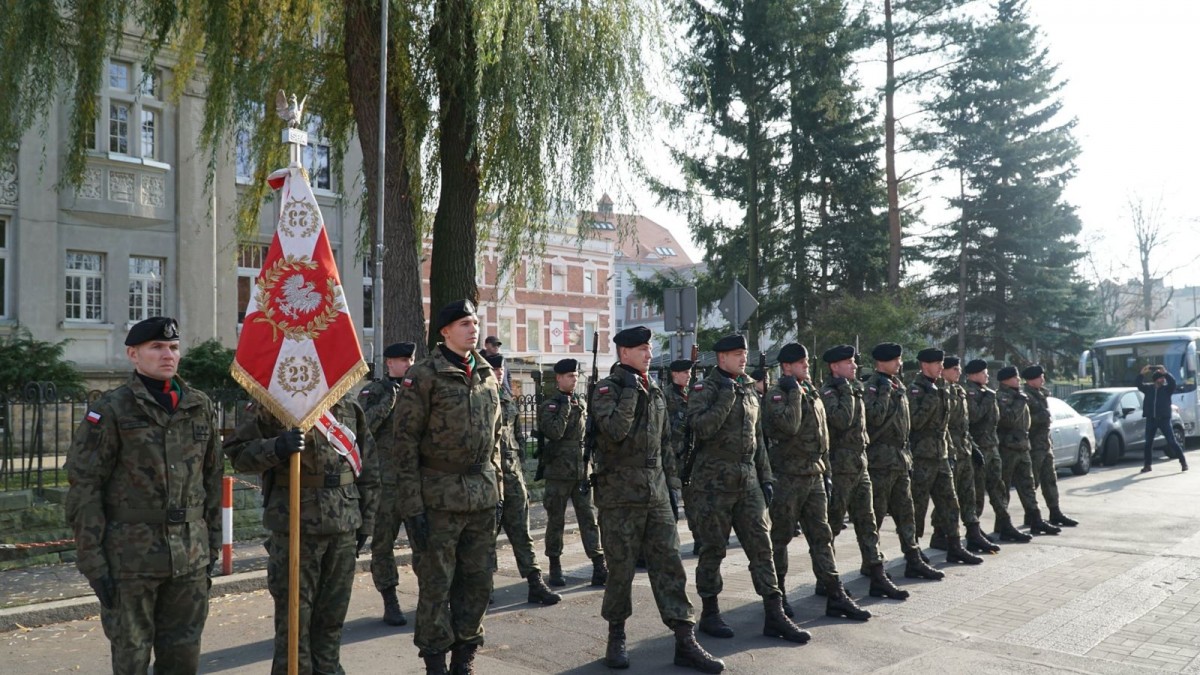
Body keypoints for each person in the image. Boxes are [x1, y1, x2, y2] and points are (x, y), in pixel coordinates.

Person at [66, 316, 222, 675]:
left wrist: (212, 546)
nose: (168, 354)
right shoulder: (111, 409)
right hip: (130, 562)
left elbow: (212, 478)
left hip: (190, 559)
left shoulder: (199, 405)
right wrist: (93, 564)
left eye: (173, 347)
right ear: (133, 355)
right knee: (131, 660)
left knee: (183, 658)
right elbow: (85, 489)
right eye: (157, 347)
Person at [591, 326, 724, 672]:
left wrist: (673, 487)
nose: (650, 354)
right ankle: (616, 637)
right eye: (642, 349)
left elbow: (665, 445)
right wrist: (632, 393)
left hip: (656, 492)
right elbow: (616, 431)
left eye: (650, 348)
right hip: (620, 495)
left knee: (670, 566)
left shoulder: (657, 391)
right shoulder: (607, 390)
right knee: (620, 571)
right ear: (624, 353)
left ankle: (684, 639)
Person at [224, 391, 379, 675]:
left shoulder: (348, 405)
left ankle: (329, 670)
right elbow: (238, 454)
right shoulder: (273, 403)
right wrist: (277, 447)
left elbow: (367, 467)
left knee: (332, 618)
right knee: (294, 622)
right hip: (295, 524)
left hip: (344, 525)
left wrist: (365, 522)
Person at [393, 299, 504, 674]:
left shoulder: (487, 372)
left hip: (482, 496)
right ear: (444, 331)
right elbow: (404, 443)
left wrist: (499, 491)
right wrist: (412, 507)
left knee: (478, 584)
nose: (472, 328)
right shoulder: (424, 375)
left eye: (474, 322)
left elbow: (497, 439)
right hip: (438, 497)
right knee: (437, 588)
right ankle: (436, 662)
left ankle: (464, 657)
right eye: (462, 323)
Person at [687, 333, 810, 645]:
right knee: (713, 549)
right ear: (721, 358)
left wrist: (766, 477)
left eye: (744, 353)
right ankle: (710, 612)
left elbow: (758, 439)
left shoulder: (748, 387)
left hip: (748, 481)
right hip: (714, 483)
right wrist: (727, 396)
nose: (744, 358)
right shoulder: (705, 387)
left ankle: (774, 612)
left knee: (762, 548)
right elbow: (701, 427)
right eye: (737, 354)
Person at [763, 342, 873, 620]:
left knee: (821, 537)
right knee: (780, 539)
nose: (806, 368)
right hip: (788, 477)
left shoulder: (809, 391)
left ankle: (835, 595)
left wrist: (825, 472)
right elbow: (789, 426)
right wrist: (792, 392)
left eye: (807, 364)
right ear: (786, 367)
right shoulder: (778, 394)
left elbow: (824, 435)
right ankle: (778, 597)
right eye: (801, 364)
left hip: (814, 474)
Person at [862, 342, 941, 586]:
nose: (899, 363)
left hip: (900, 461)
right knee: (874, 516)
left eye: (899, 359)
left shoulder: (899, 385)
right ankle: (871, 563)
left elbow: (907, 425)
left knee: (907, 514)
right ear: (881, 362)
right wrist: (885, 391)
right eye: (895, 359)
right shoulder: (873, 387)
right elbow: (874, 419)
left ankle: (913, 559)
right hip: (880, 464)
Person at [486, 353, 561, 605]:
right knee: (486, 536)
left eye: (501, 368)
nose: (498, 372)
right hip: (489, 477)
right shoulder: (478, 397)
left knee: (521, 531)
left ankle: (534, 582)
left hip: (512, 474)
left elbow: (517, 438)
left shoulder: (507, 397)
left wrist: (523, 477)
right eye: (493, 368)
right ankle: (484, 587)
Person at [820, 345, 890, 591]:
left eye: (853, 362)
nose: (854, 366)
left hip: (860, 465)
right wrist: (846, 392)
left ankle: (876, 573)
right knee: (833, 524)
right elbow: (841, 421)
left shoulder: (854, 389)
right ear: (834, 367)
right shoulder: (830, 392)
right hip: (840, 468)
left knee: (867, 521)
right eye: (848, 362)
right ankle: (826, 579)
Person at [907, 348, 982, 566]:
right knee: (918, 507)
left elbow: (945, 426)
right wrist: (931, 397)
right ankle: (914, 550)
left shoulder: (942, 388)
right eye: (937, 364)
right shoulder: (917, 390)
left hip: (942, 455)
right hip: (922, 456)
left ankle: (955, 546)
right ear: (924, 365)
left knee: (951, 503)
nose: (941, 367)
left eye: (942, 363)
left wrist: (950, 452)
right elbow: (916, 422)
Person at [538, 357, 606, 587]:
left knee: (588, 519)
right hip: (558, 472)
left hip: (581, 471)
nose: (574, 379)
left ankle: (598, 564)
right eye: (569, 376)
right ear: (559, 378)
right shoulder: (551, 404)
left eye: (576, 376)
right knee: (555, 522)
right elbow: (555, 432)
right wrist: (566, 405)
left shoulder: (582, 402)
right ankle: (555, 567)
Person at [361, 341, 416, 626]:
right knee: (383, 545)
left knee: (426, 543)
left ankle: (433, 598)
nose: (408, 364)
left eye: (410, 359)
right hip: (385, 484)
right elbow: (363, 427)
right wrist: (388, 402)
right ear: (389, 363)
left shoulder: (419, 390)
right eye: (403, 360)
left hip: (415, 482)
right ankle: (390, 600)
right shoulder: (375, 391)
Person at [932, 357, 1000, 554]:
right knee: (947, 496)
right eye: (954, 369)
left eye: (959, 368)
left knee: (969, 494)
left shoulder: (958, 391)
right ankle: (939, 533)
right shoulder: (940, 391)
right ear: (943, 371)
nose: (958, 372)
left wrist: (972, 446)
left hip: (965, 448)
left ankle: (973, 533)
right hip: (949, 450)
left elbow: (965, 425)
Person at [963, 360, 1030, 543]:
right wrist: (987, 399)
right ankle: (974, 531)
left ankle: (1005, 524)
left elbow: (996, 421)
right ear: (972, 375)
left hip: (993, 447)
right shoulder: (969, 392)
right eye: (983, 373)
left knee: (998, 488)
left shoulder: (987, 393)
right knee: (977, 491)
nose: (987, 376)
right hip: (979, 449)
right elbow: (974, 417)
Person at [995, 366, 1060, 536]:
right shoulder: (1003, 397)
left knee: (1028, 486)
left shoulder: (1021, 396)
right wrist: (1020, 402)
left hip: (1024, 446)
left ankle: (1036, 519)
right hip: (1008, 448)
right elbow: (1007, 419)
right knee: (1004, 487)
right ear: (1005, 380)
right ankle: (1002, 523)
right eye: (1014, 378)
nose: (1018, 380)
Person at [1021, 365, 1078, 527]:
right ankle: (1031, 515)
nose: (1043, 379)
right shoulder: (1026, 397)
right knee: (1033, 482)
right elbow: (1025, 420)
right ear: (1032, 379)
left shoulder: (1040, 394)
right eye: (1040, 377)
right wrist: (1043, 416)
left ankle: (1055, 512)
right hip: (1033, 445)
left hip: (1045, 443)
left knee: (1050, 479)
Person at [1136, 364, 1188, 473]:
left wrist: (1166, 373)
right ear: (1156, 380)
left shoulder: (1167, 389)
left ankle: (1183, 462)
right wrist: (1142, 373)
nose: (1163, 379)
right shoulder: (1149, 389)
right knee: (1148, 443)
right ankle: (1147, 465)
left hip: (1164, 419)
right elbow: (1138, 384)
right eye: (1161, 378)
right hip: (1151, 419)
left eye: (1163, 378)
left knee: (1171, 441)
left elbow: (1173, 383)